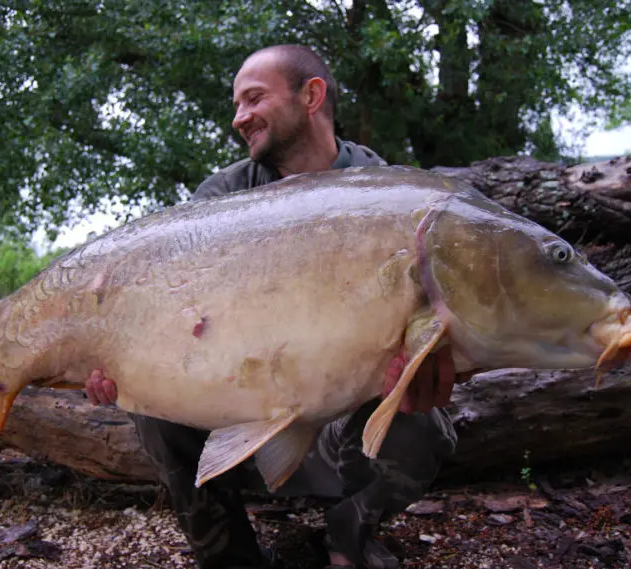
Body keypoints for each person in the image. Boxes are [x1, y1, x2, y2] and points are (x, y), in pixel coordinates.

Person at [86, 44, 475, 569]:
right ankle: (231, 559)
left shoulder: (385, 193)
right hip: (239, 423)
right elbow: (168, 310)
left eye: (253, 99)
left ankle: (346, 541)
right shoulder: (221, 196)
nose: (238, 118)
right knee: (151, 410)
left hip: (339, 431)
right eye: (237, 104)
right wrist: (118, 364)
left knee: (422, 423)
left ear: (311, 95)